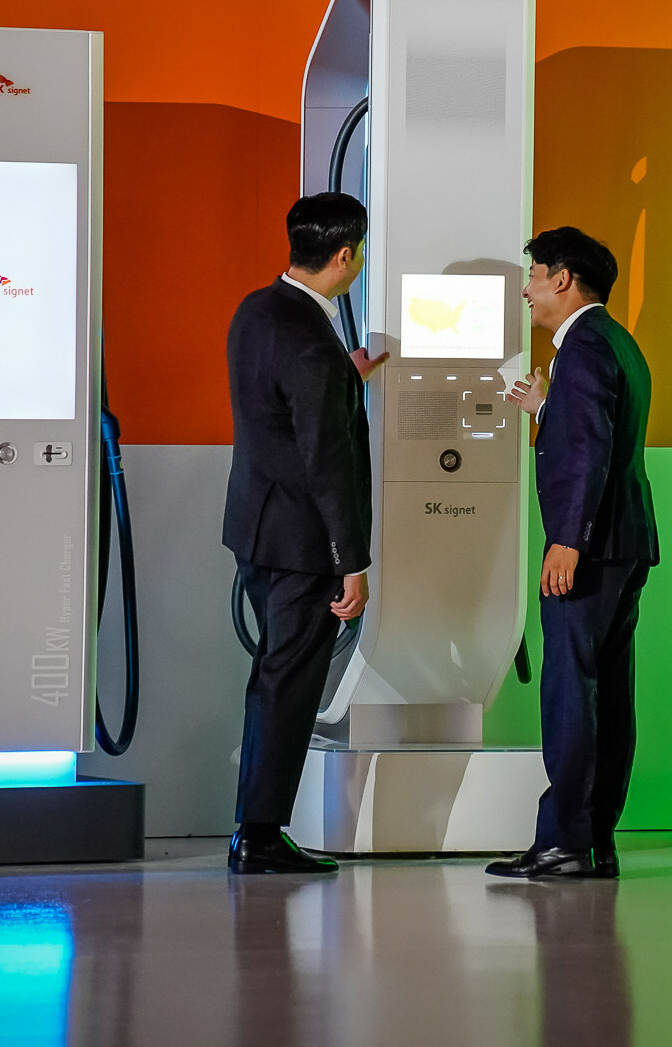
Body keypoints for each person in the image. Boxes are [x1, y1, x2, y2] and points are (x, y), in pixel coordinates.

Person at [221, 191, 386, 875]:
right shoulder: (311, 342)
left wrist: (344, 379)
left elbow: (279, 405)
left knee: (273, 676)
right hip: (303, 543)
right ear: (345, 255)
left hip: (258, 530)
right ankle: (259, 835)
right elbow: (327, 459)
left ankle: (254, 829)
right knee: (288, 685)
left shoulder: (258, 311)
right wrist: (353, 560)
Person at [488, 227, 658, 881]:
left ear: (563, 279)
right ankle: (594, 838)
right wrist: (547, 405)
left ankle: (562, 840)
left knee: (569, 693)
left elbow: (588, 451)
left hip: (589, 546)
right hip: (625, 542)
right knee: (609, 695)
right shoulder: (615, 341)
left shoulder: (580, 347)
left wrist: (567, 538)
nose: (527, 289)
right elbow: (598, 430)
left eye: (533, 275)